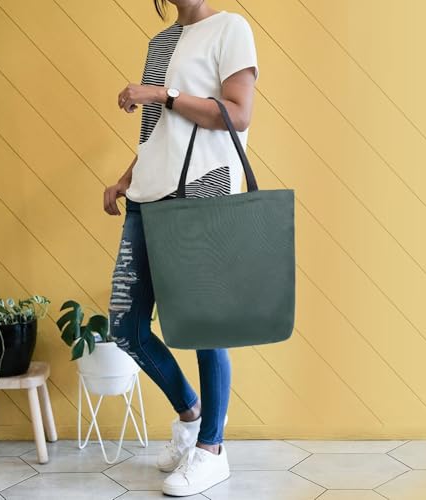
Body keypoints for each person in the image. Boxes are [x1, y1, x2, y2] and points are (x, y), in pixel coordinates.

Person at [103, 0, 259, 496]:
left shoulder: (230, 28)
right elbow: (158, 134)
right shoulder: (160, 42)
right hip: (147, 194)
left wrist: (160, 93)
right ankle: (192, 417)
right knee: (125, 325)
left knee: (206, 324)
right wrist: (125, 178)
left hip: (202, 191)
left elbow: (238, 114)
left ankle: (212, 450)